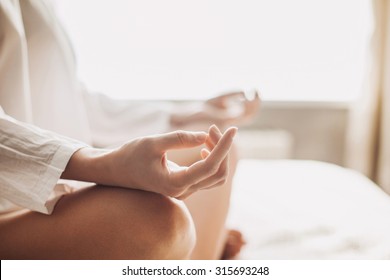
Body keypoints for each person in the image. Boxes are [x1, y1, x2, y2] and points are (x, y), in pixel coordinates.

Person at [0, 0, 260, 259]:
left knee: (208, 146)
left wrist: (183, 115)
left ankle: (190, 256)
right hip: (7, 207)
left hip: (51, 186)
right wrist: (103, 164)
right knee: (160, 222)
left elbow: (65, 97)